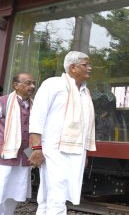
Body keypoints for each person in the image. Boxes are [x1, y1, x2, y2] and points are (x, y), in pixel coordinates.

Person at [28, 51, 96, 214]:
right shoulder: (53, 84)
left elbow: (85, 125)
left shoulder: (85, 92)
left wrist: (84, 154)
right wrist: (37, 149)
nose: (90, 68)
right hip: (54, 150)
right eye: (86, 65)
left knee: (49, 196)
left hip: (75, 152)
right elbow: (37, 117)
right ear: (73, 67)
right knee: (58, 196)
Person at [0, 72, 35, 215]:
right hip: (5, 155)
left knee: (14, 192)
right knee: (1, 188)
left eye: (33, 83)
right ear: (16, 85)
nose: (32, 86)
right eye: (28, 83)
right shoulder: (3, 101)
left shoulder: (35, 105)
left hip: (24, 156)